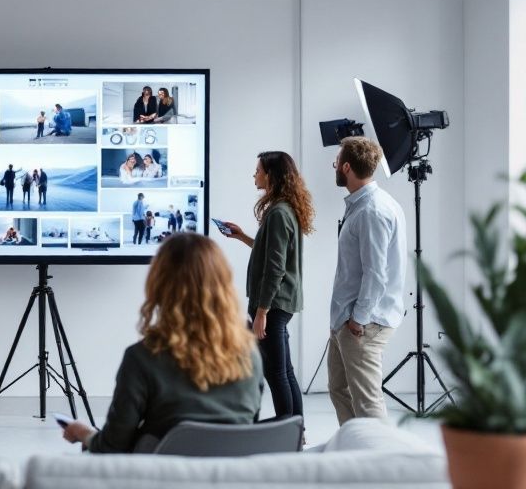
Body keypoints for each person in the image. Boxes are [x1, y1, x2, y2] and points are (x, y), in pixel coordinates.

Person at [61, 234, 262, 453]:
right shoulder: (249, 354)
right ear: (224, 285)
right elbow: (247, 429)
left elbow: (112, 446)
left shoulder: (142, 357)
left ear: (159, 285)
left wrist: (83, 433)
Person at [222, 151, 314, 421]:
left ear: (270, 175)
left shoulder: (278, 213)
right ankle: (298, 430)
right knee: (284, 371)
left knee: (276, 373)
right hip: (281, 301)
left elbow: (275, 267)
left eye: (258, 170)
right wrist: (241, 237)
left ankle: (288, 431)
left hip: (273, 304)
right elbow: (270, 252)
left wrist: (261, 312)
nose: (255, 175)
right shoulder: (285, 209)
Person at [328, 136, 407, 424]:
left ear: (346, 167)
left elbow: (376, 273)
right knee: (339, 389)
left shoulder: (372, 210)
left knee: (367, 402)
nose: (334, 165)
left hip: (362, 324)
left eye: (336, 161)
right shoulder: (363, 204)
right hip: (346, 320)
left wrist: (358, 319)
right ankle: (355, 454)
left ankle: (380, 464)